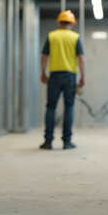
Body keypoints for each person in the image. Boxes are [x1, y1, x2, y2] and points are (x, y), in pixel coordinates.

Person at [39, 10, 85, 150]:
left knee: (51, 107)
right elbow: (81, 58)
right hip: (70, 76)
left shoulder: (52, 36)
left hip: (54, 76)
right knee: (69, 108)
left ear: (59, 22)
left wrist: (43, 72)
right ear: (72, 23)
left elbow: (44, 56)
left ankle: (48, 141)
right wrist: (83, 76)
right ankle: (67, 142)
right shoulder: (75, 37)